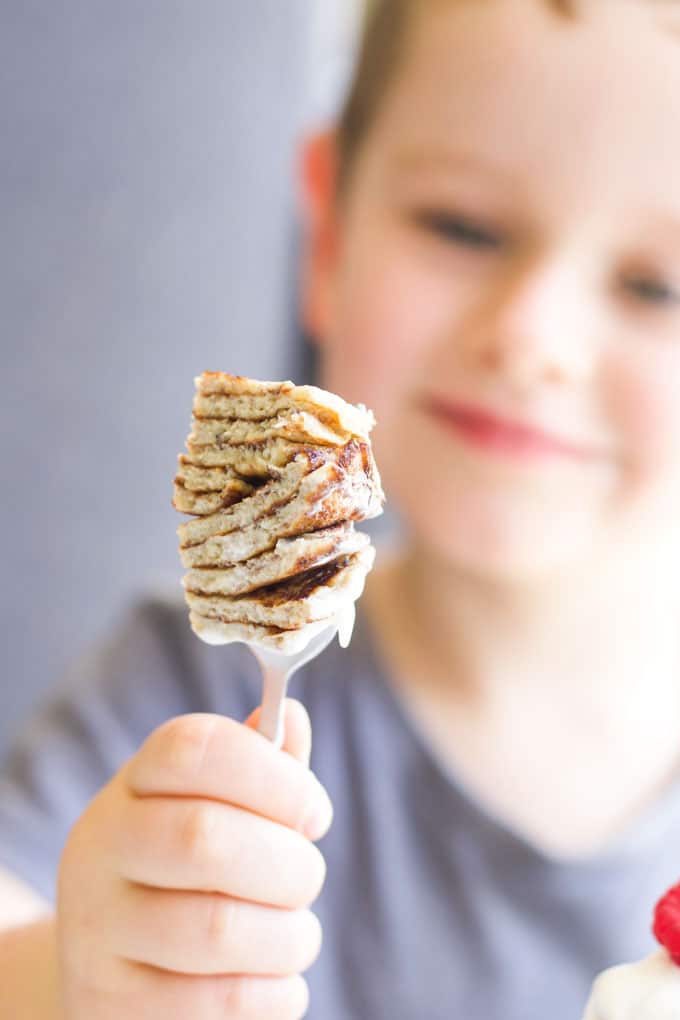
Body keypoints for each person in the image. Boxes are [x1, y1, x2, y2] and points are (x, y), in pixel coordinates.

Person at [3, 0, 680, 1016]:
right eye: (461, 226)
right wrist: (75, 974)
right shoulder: (194, 686)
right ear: (326, 229)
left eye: (653, 287)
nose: (532, 335)